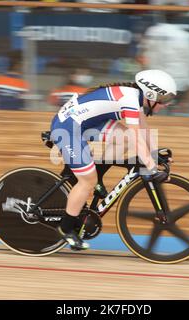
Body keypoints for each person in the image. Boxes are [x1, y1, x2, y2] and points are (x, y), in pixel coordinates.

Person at [50, 69, 176, 250]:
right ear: (150, 94)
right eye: (164, 100)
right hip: (68, 128)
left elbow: (143, 129)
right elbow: (136, 138)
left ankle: (97, 175)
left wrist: (154, 154)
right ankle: (66, 228)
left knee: (123, 139)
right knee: (87, 181)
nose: (165, 105)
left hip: (86, 122)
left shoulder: (136, 98)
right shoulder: (131, 100)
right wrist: (152, 167)